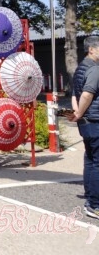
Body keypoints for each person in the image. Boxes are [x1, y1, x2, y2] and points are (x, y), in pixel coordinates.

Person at [67, 35, 99, 220]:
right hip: (94, 120)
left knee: (90, 158)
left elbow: (75, 94)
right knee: (97, 163)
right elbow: (86, 94)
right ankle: (94, 205)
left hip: (85, 122)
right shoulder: (94, 69)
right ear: (92, 50)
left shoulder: (81, 68)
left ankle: (90, 196)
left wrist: (77, 113)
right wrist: (79, 113)